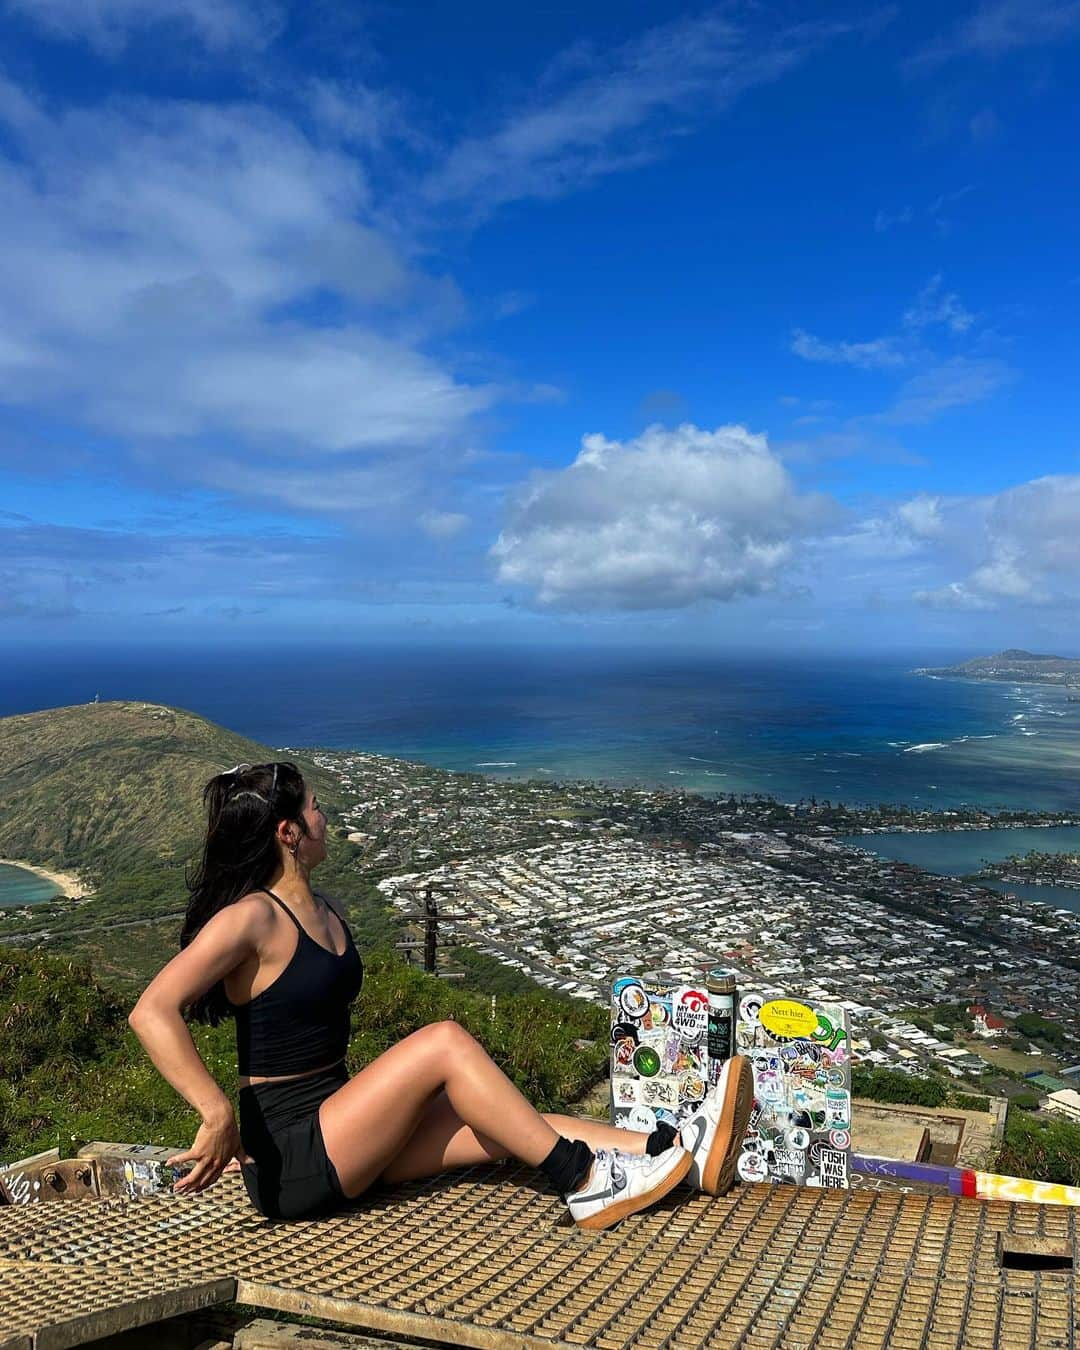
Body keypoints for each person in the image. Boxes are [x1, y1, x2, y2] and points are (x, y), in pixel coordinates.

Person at [129, 761, 754, 1229]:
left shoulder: (328, 908)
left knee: (500, 1124)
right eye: (316, 809)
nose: (327, 818)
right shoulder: (251, 919)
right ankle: (585, 1182)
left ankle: (671, 1153)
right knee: (443, 1043)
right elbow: (152, 1010)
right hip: (291, 1155)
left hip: (343, 1125)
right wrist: (215, 1113)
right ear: (288, 833)